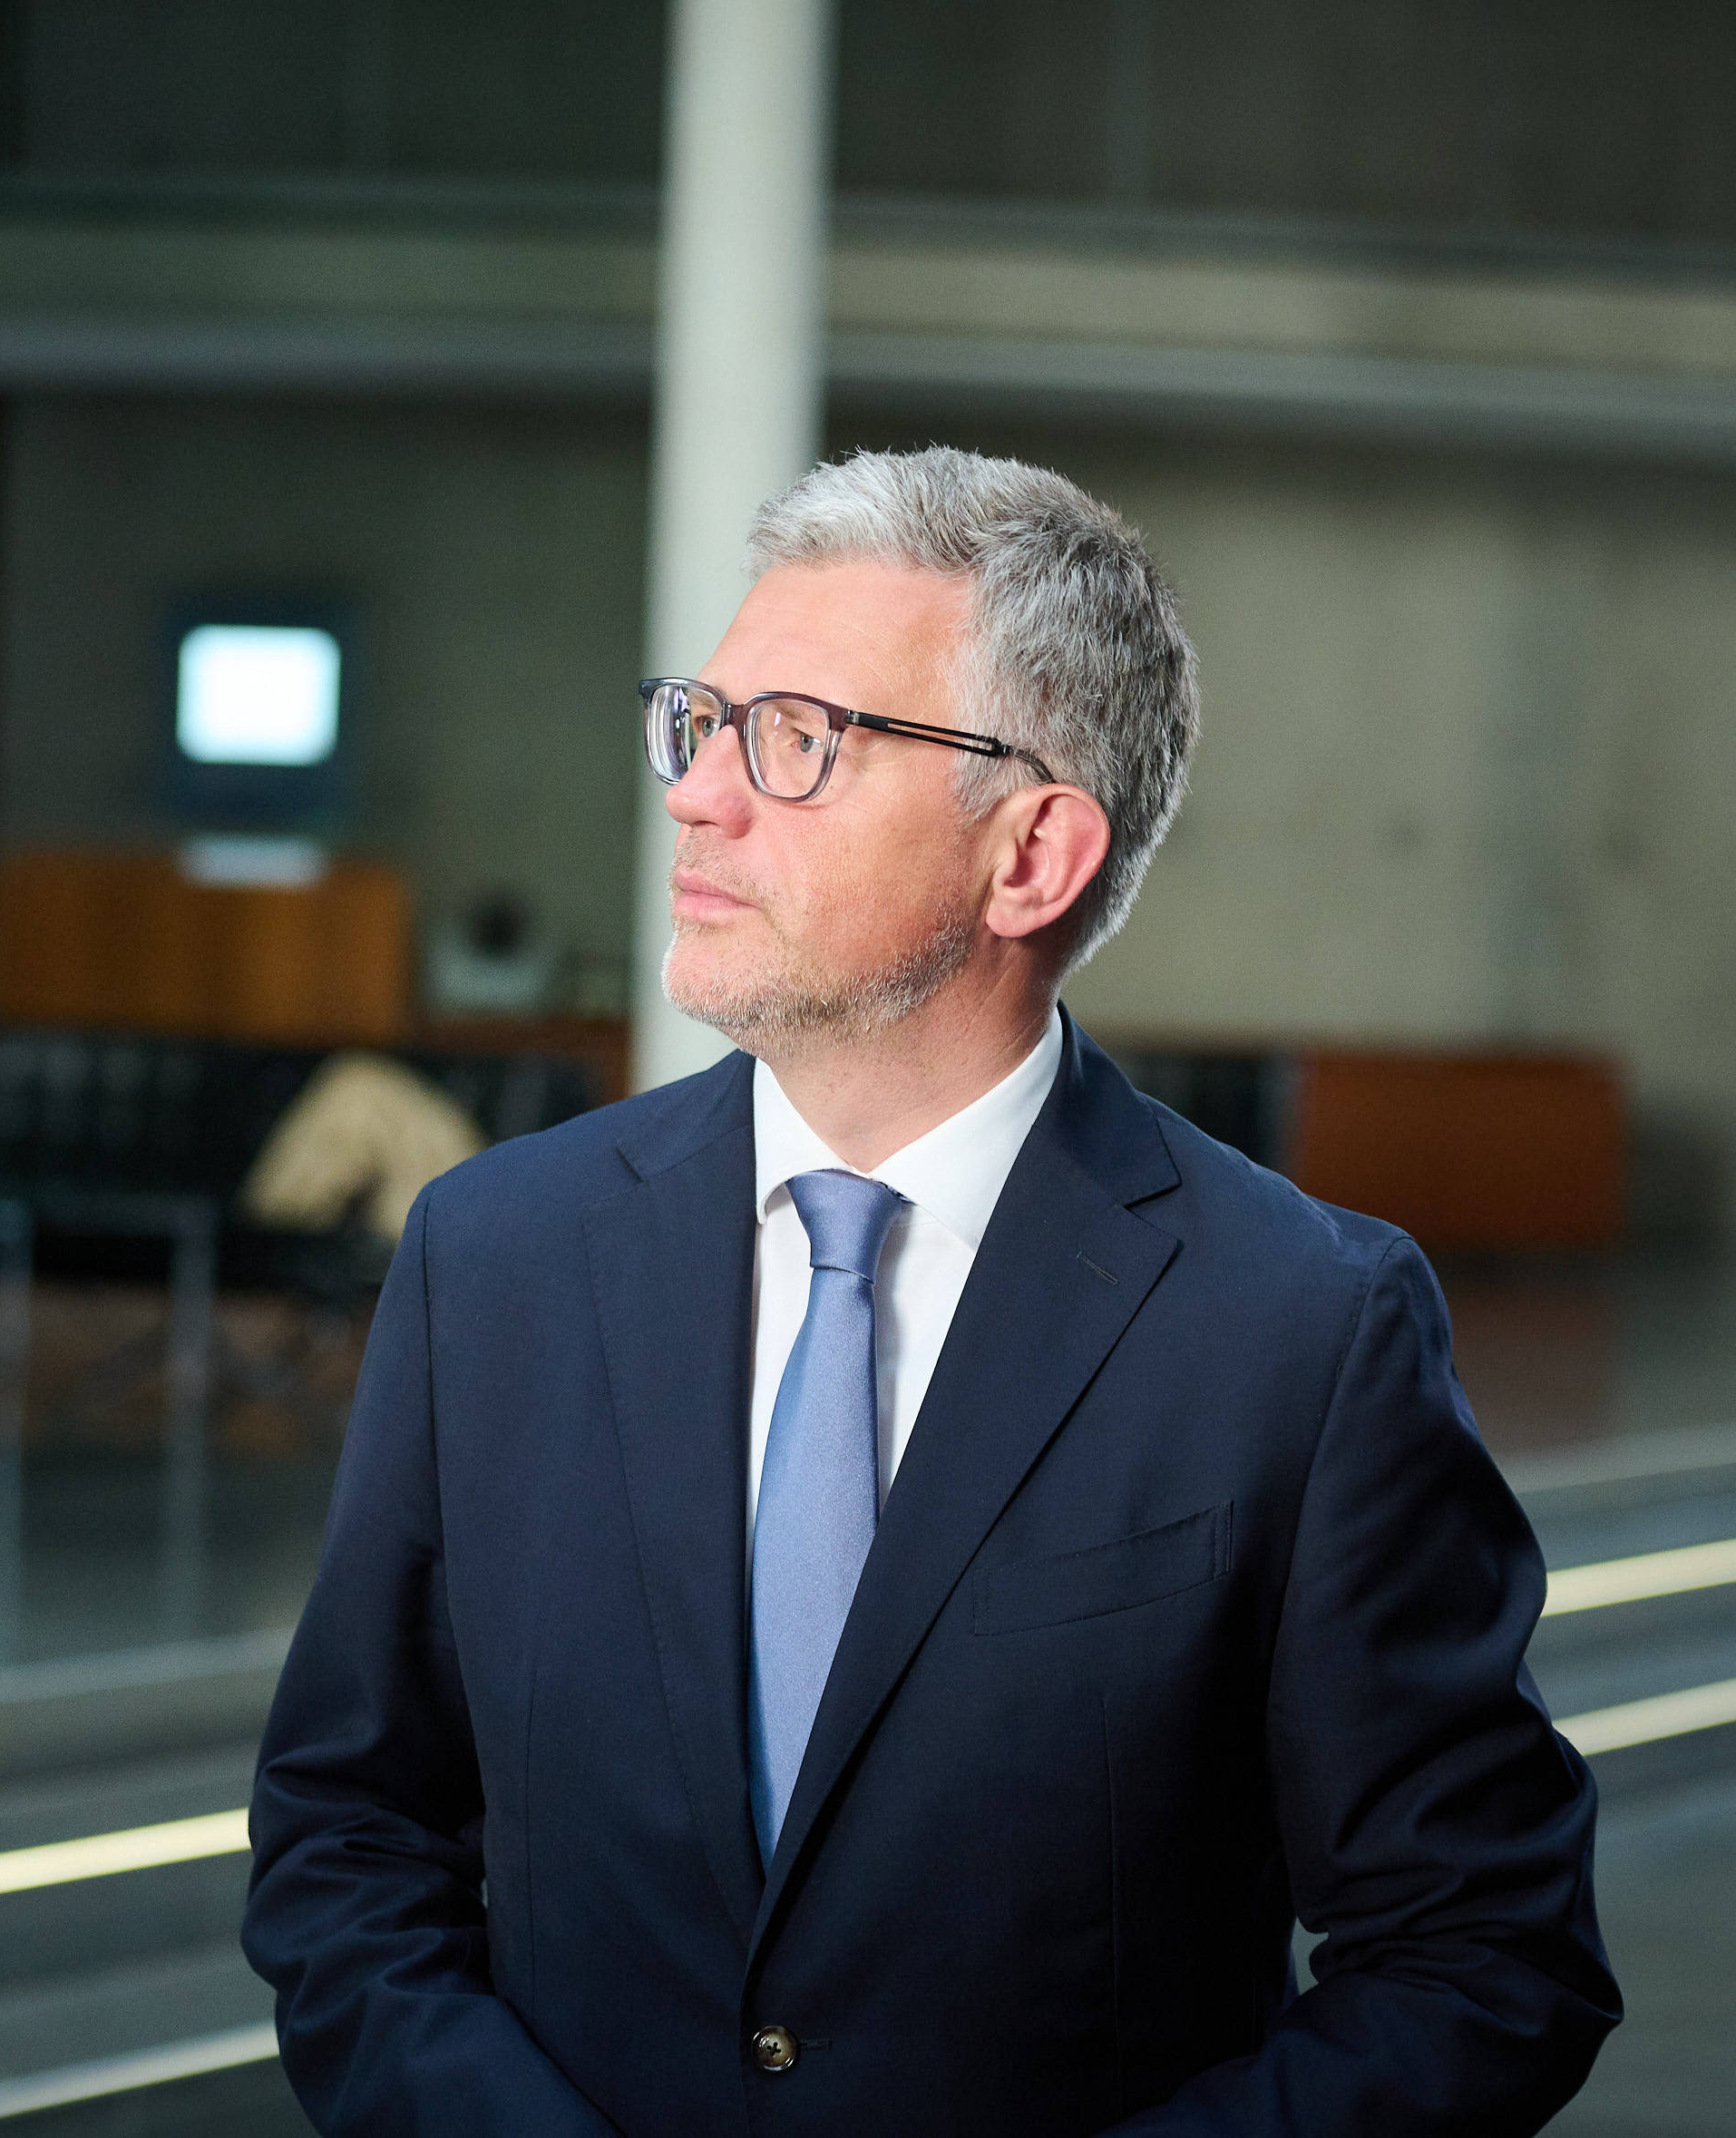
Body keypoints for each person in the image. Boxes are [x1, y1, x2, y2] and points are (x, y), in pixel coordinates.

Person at [242, 446, 1614, 2136]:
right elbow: (349, 1836)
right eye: (701, 719)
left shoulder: (1300, 1330)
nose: (694, 794)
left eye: (796, 740)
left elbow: (1481, 1956)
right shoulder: (492, 1257)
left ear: (1029, 855)